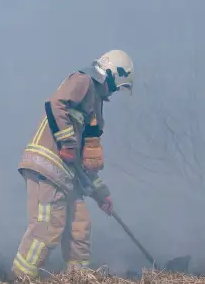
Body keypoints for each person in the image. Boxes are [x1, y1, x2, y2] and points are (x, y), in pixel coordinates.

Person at [11, 49, 134, 279]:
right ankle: (22, 278)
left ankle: (78, 277)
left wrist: (101, 194)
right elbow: (55, 103)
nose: (114, 91)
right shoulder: (83, 80)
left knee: (80, 227)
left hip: (67, 175)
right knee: (47, 227)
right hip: (47, 167)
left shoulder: (96, 107)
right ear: (111, 73)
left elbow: (86, 161)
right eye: (116, 86)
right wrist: (68, 143)